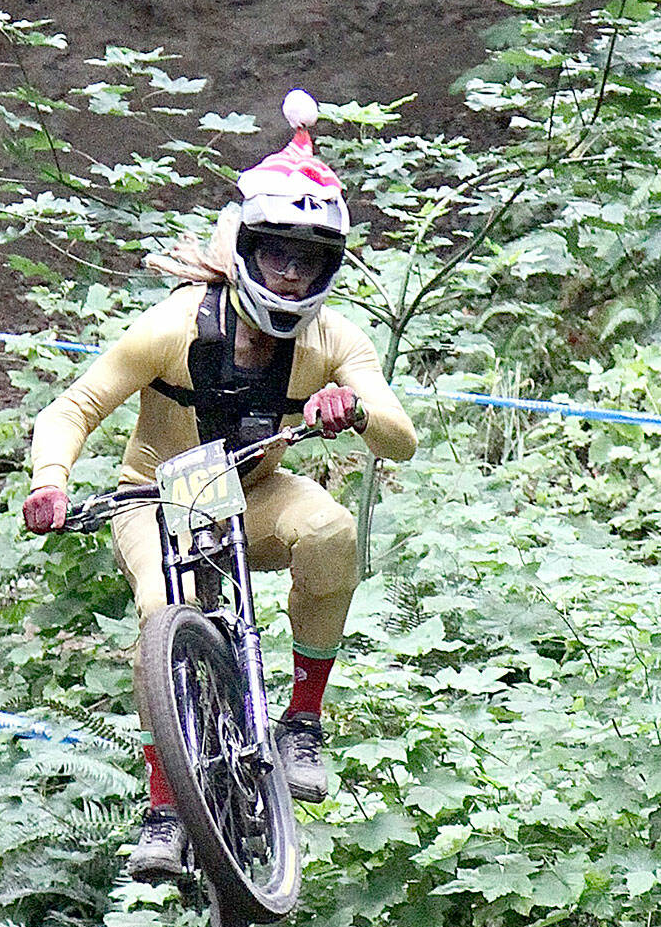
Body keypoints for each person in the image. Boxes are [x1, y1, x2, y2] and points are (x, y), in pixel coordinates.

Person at [21, 90, 418, 881]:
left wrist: (356, 411)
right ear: (246, 249)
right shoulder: (172, 327)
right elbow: (73, 407)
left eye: (308, 260)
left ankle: (301, 722)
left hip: (252, 495)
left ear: (330, 267)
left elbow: (401, 440)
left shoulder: (333, 341)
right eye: (276, 255)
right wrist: (51, 481)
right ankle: (165, 810)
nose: (291, 275)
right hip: (155, 498)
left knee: (332, 531)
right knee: (163, 610)